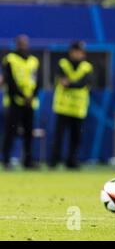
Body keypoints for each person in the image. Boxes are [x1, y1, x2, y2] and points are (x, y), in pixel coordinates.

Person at [49, 41, 94, 169]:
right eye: (76, 51)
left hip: (78, 108)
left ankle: (72, 161)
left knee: (76, 137)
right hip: (63, 107)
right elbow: (63, 81)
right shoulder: (63, 64)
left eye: (80, 51)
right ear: (71, 52)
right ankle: (54, 161)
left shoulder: (87, 67)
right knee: (59, 136)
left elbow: (83, 83)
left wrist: (71, 84)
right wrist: (75, 84)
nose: (78, 54)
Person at [2, 35, 40, 169]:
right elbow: (10, 81)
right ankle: (6, 160)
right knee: (10, 132)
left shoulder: (33, 60)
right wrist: (23, 97)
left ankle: (27, 161)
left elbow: (37, 81)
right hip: (14, 102)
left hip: (30, 103)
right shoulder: (10, 59)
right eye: (21, 43)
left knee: (28, 133)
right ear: (16, 44)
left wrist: (32, 96)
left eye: (25, 43)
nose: (23, 46)